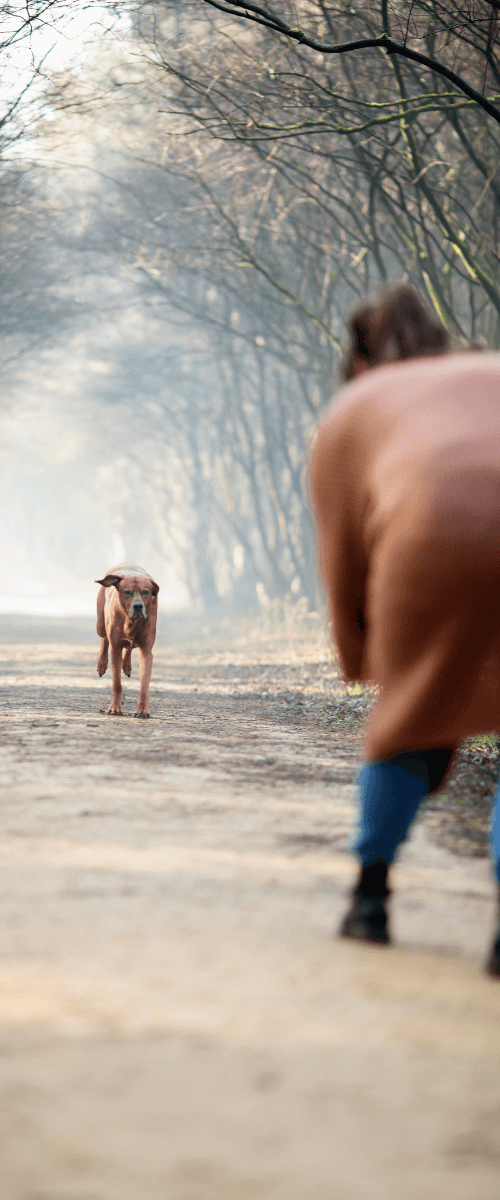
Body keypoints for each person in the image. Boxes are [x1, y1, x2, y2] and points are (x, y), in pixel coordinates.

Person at [310, 283, 500, 975]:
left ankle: (371, 897)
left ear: (361, 360)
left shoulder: (357, 407)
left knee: (409, 722)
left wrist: (365, 658)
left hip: (431, 536)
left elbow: (343, 559)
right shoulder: (489, 369)